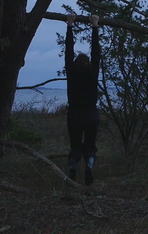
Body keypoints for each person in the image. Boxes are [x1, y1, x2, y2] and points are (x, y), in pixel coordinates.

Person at [65, 13, 101, 186]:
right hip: (91, 114)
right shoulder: (92, 73)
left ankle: (73, 167)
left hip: (74, 114)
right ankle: (89, 164)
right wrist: (94, 26)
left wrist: (69, 26)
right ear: (89, 64)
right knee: (90, 145)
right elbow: (96, 53)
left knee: (75, 145)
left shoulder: (71, 73)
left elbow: (68, 51)